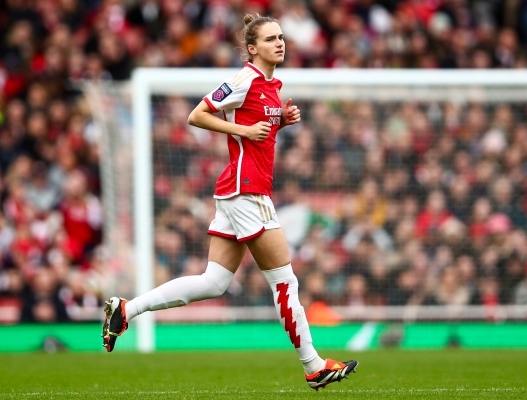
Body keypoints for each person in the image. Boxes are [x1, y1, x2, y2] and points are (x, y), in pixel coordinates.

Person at [100, 13, 358, 390]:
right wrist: (242, 128)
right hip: (246, 191)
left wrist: (280, 122)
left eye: (281, 37)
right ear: (252, 49)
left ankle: (126, 309)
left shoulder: (271, 85)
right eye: (270, 39)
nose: (280, 43)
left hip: (239, 191)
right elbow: (197, 114)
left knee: (215, 281)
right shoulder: (245, 80)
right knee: (284, 282)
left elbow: (256, 133)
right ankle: (313, 366)